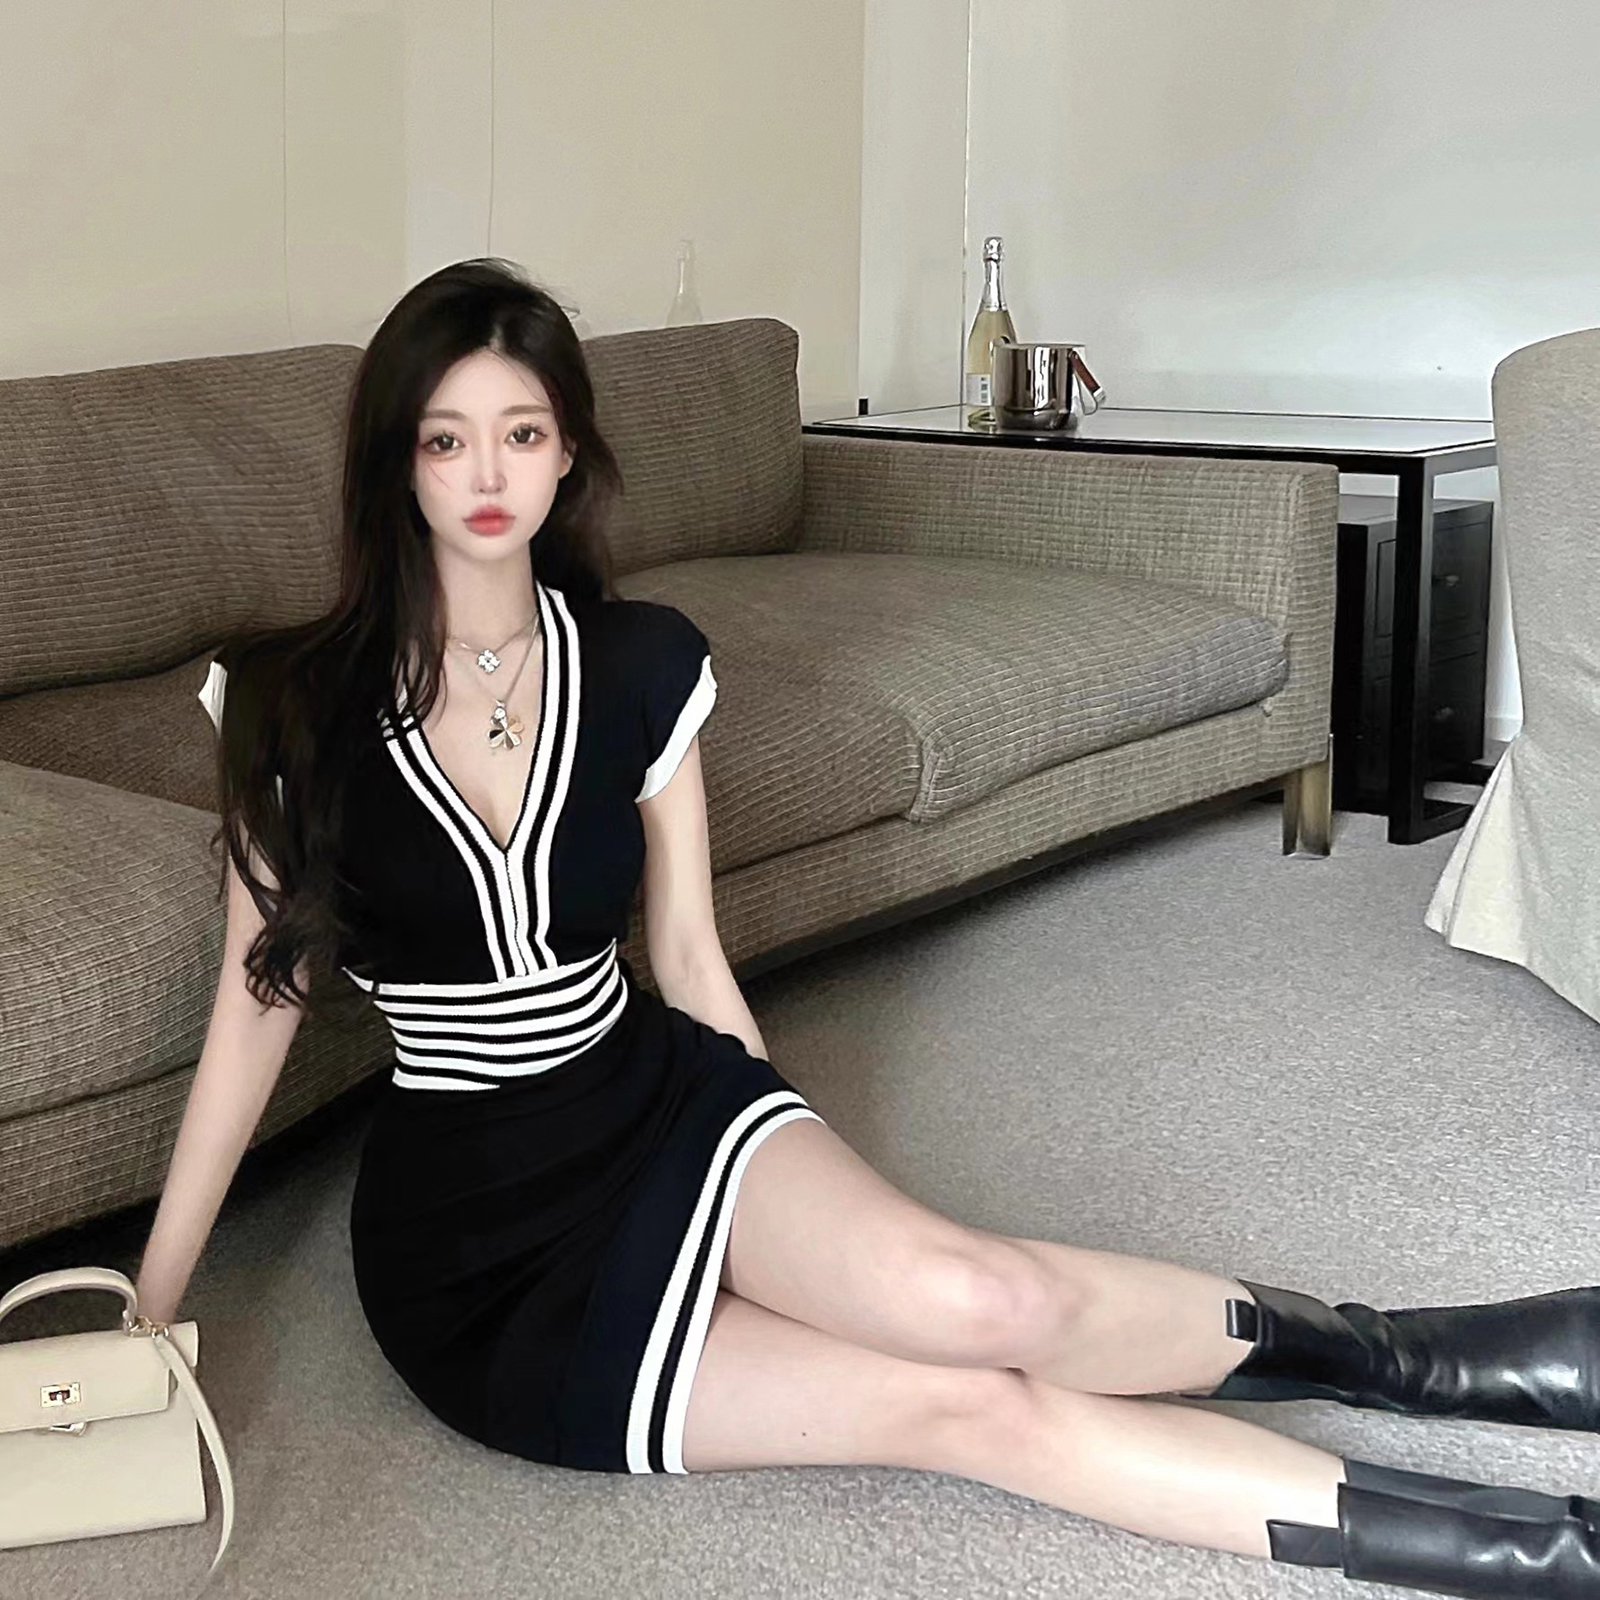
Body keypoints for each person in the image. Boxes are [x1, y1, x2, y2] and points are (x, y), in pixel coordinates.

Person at [134, 258, 1600, 1598]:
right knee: (963, 1405)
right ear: (397, 461)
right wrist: (155, 1298)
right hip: (476, 1251)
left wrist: (786, 1179)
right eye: (445, 439)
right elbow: (254, 1015)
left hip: (658, 1100)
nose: (485, 474)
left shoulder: (641, 665)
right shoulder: (287, 708)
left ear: (569, 448)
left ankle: (1430, 1359)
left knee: (979, 1296)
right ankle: (1543, 1551)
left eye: (521, 433)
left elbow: (687, 956)